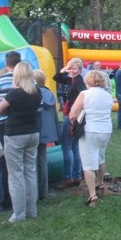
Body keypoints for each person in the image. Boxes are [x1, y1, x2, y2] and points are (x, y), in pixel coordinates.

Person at [0, 61, 41, 223]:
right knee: (30, 171)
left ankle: (19, 213)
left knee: (16, 175)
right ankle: (32, 210)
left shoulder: (14, 93)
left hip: (15, 134)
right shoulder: (37, 92)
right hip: (33, 132)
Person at [68, 70, 114, 207]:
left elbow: (72, 114)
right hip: (106, 129)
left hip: (90, 129)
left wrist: (73, 122)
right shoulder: (108, 95)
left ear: (88, 81)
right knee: (100, 156)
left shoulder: (85, 94)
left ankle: (92, 195)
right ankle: (100, 183)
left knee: (88, 163)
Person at [0, 50, 21, 211]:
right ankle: (26, 197)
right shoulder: (26, 80)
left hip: (4, 124)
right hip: (25, 124)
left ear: (6, 63)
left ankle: (6, 199)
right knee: (23, 164)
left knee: (3, 164)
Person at [53, 58, 85, 188]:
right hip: (74, 116)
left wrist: (73, 117)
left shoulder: (78, 83)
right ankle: (76, 175)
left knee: (66, 147)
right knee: (74, 147)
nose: (71, 71)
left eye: (74, 68)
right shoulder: (72, 80)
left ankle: (69, 177)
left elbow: (83, 97)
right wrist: (65, 69)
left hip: (71, 116)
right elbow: (57, 77)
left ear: (80, 70)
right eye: (70, 68)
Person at [33, 69, 59, 200]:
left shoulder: (34, 94)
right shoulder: (49, 94)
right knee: (42, 161)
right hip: (47, 131)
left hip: (35, 130)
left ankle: (35, 191)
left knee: (33, 162)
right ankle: (44, 190)